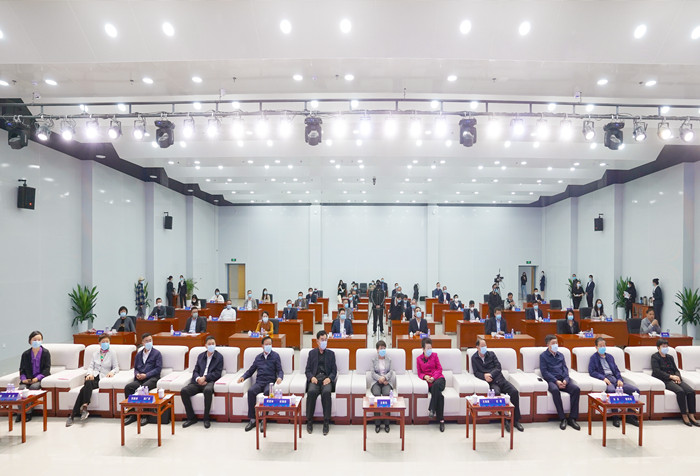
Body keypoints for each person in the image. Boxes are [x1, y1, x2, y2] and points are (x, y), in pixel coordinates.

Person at [471, 337, 524, 432]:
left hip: (500, 379)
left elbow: (498, 367)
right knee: (496, 394)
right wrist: (484, 376)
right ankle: (505, 420)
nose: (484, 348)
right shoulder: (474, 358)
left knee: (514, 392)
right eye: (482, 346)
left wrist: (491, 374)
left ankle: (516, 420)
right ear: (477, 347)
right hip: (492, 383)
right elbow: (476, 372)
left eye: (485, 346)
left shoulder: (491, 354)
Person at [66, 334, 118, 427]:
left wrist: (112, 372)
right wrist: (89, 374)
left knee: (83, 389)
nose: (105, 343)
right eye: (103, 342)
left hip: (102, 378)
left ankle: (73, 415)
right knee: (88, 381)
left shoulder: (112, 353)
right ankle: (84, 408)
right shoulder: (95, 354)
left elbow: (116, 367)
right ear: (99, 343)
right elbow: (90, 367)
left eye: (107, 342)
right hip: (93, 376)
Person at [588, 337, 639, 427]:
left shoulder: (610, 357)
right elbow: (592, 372)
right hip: (607, 380)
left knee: (635, 390)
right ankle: (615, 417)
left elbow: (616, 370)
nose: (602, 347)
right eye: (600, 346)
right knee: (612, 391)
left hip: (615, 380)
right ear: (596, 347)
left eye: (604, 345)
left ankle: (630, 417)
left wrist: (620, 379)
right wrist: (603, 378)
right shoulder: (593, 358)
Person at [239, 336, 284, 432]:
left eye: (270, 344)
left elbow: (280, 370)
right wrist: (243, 377)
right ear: (262, 346)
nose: (268, 346)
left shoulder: (275, 356)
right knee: (251, 391)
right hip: (259, 382)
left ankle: (264, 419)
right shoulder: (258, 357)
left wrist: (280, 377)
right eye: (266, 344)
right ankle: (253, 419)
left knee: (267, 392)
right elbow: (251, 370)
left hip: (270, 382)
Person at [651, 338, 699, 427]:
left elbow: (676, 370)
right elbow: (657, 371)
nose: (665, 348)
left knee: (690, 391)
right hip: (664, 379)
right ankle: (684, 415)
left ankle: (692, 415)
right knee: (680, 391)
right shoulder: (655, 357)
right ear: (658, 347)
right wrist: (671, 376)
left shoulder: (670, 357)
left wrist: (677, 377)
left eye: (666, 346)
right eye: (663, 346)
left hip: (675, 378)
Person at [181, 336, 223, 429]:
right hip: (198, 382)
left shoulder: (219, 357)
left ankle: (206, 418)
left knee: (208, 391)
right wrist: (198, 379)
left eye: (213, 344)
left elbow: (217, 373)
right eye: (209, 344)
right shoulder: (200, 356)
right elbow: (195, 371)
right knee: (184, 391)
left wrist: (205, 378)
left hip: (209, 381)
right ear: (205, 346)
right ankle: (191, 418)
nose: (211, 345)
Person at [540, 335, 580, 430]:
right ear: (548, 345)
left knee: (576, 389)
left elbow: (565, 369)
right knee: (555, 390)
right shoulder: (543, 356)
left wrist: (566, 379)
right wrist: (556, 381)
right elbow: (544, 372)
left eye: (556, 343)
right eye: (553, 343)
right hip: (552, 381)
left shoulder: (561, 355)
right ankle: (562, 418)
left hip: (563, 379)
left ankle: (572, 418)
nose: (556, 345)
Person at [123, 333, 163, 426]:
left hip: (152, 378)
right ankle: (131, 414)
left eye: (150, 340)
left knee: (144, 388)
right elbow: (136, 368)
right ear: (142, 343)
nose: (149, 342)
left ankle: (144, 415)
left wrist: (146, 375)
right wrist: (137, 374)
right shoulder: (139, 354)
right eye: (146, 341)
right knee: (128, 387)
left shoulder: (157, 353)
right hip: (140, 379)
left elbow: (158, 369)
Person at [305, 330, 337, 435]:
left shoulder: (331, 354)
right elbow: (307, 370)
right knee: (311, 392)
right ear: (317, 341)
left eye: (325, 340)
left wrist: (330, 379)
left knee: (326, 393)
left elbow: (334, 371)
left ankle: (326, 422)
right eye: (322, 340)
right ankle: (309, 421)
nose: (324, 342)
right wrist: (311, 378)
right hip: (315, 379)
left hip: (326, 379)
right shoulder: (312, 353)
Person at [17, 331, 51, 422]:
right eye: (34, 340)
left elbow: (47, 369)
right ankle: (20, 413)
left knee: (33, 388)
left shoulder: (45, 353)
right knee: (21, 389)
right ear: (30, 341)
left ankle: (28, 413)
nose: (37, 341)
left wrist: (37, 378)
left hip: (40, 379)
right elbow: (22, 369)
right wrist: (24, 379)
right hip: (27, 379)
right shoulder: (25, 354)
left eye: (39, 340)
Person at [416, 337, 445, 432]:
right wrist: (425, 377)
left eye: (430, 348)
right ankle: (441, 420)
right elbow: (419, 373)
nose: (430, 350)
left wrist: (434, 377)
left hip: (439, 380)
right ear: (423, 349)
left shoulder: (435, 356)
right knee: (439, 396)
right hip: (430, 384)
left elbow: (439, 369)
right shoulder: (419, 359)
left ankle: (432, 409)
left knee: (436, 385)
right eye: (428, 348)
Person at [370, 340, 395, 433]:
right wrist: (379, 378)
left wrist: (384, 378)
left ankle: (387, 423)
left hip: (386, 382)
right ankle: (377, 423)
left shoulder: (389, 359)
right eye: (381, 348)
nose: (383, 350)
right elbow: (372, 373)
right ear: (377, 350)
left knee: (387, 395)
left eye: (384, 348)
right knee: (376, 395)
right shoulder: (373, 360)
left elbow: (391, 372)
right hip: (376, 382)